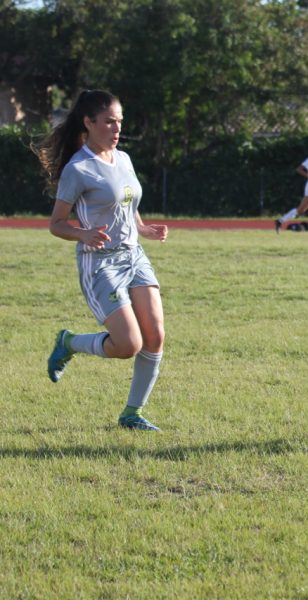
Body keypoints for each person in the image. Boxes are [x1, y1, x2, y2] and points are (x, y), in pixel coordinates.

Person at [34, 89, 168, 431]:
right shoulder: (78, 169)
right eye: (109, 121)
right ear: (88, 123)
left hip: (134, 257)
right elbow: (56, 224)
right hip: (101, 265)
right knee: (128, 345)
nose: (116, 127)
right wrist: (83, 234)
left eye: (119, 121)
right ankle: (69, 342)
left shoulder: (123, 159)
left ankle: (131, 414)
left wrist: (143, 229)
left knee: (154, 337)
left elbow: (128, 205)